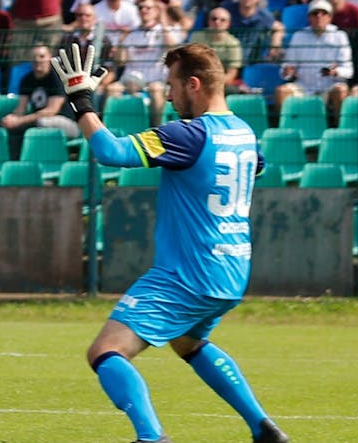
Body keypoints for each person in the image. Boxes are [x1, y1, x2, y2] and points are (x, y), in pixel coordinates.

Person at [53, 41, 286, 443]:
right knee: (189, 342)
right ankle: (262, 427)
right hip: (231, 272)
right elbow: (256, 166)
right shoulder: (244, 133)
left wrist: (81, 100)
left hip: (187, 273)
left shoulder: (189, 134)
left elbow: (111, 151)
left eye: (173, 85)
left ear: (193, 84)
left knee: (106, 351)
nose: (170, 94)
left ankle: (151, 438)